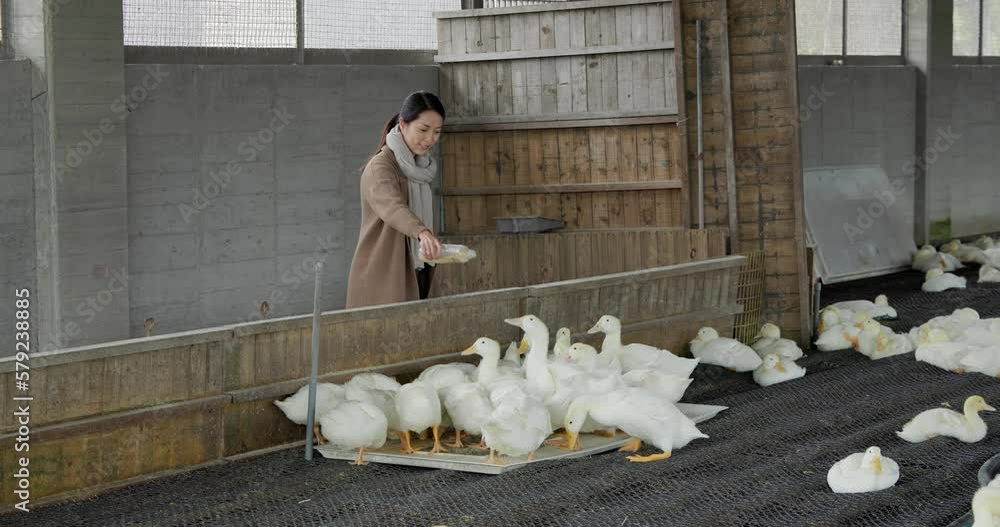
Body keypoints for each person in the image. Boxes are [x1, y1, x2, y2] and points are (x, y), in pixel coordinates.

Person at [345, 91, 446, 308]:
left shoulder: (420, 168)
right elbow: (392, 207)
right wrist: (422, 232)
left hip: (418, 269)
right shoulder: (380, 167)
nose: (431, 139)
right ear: (402, 124)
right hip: (383, 275)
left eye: (437, 132)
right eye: (423, 129)